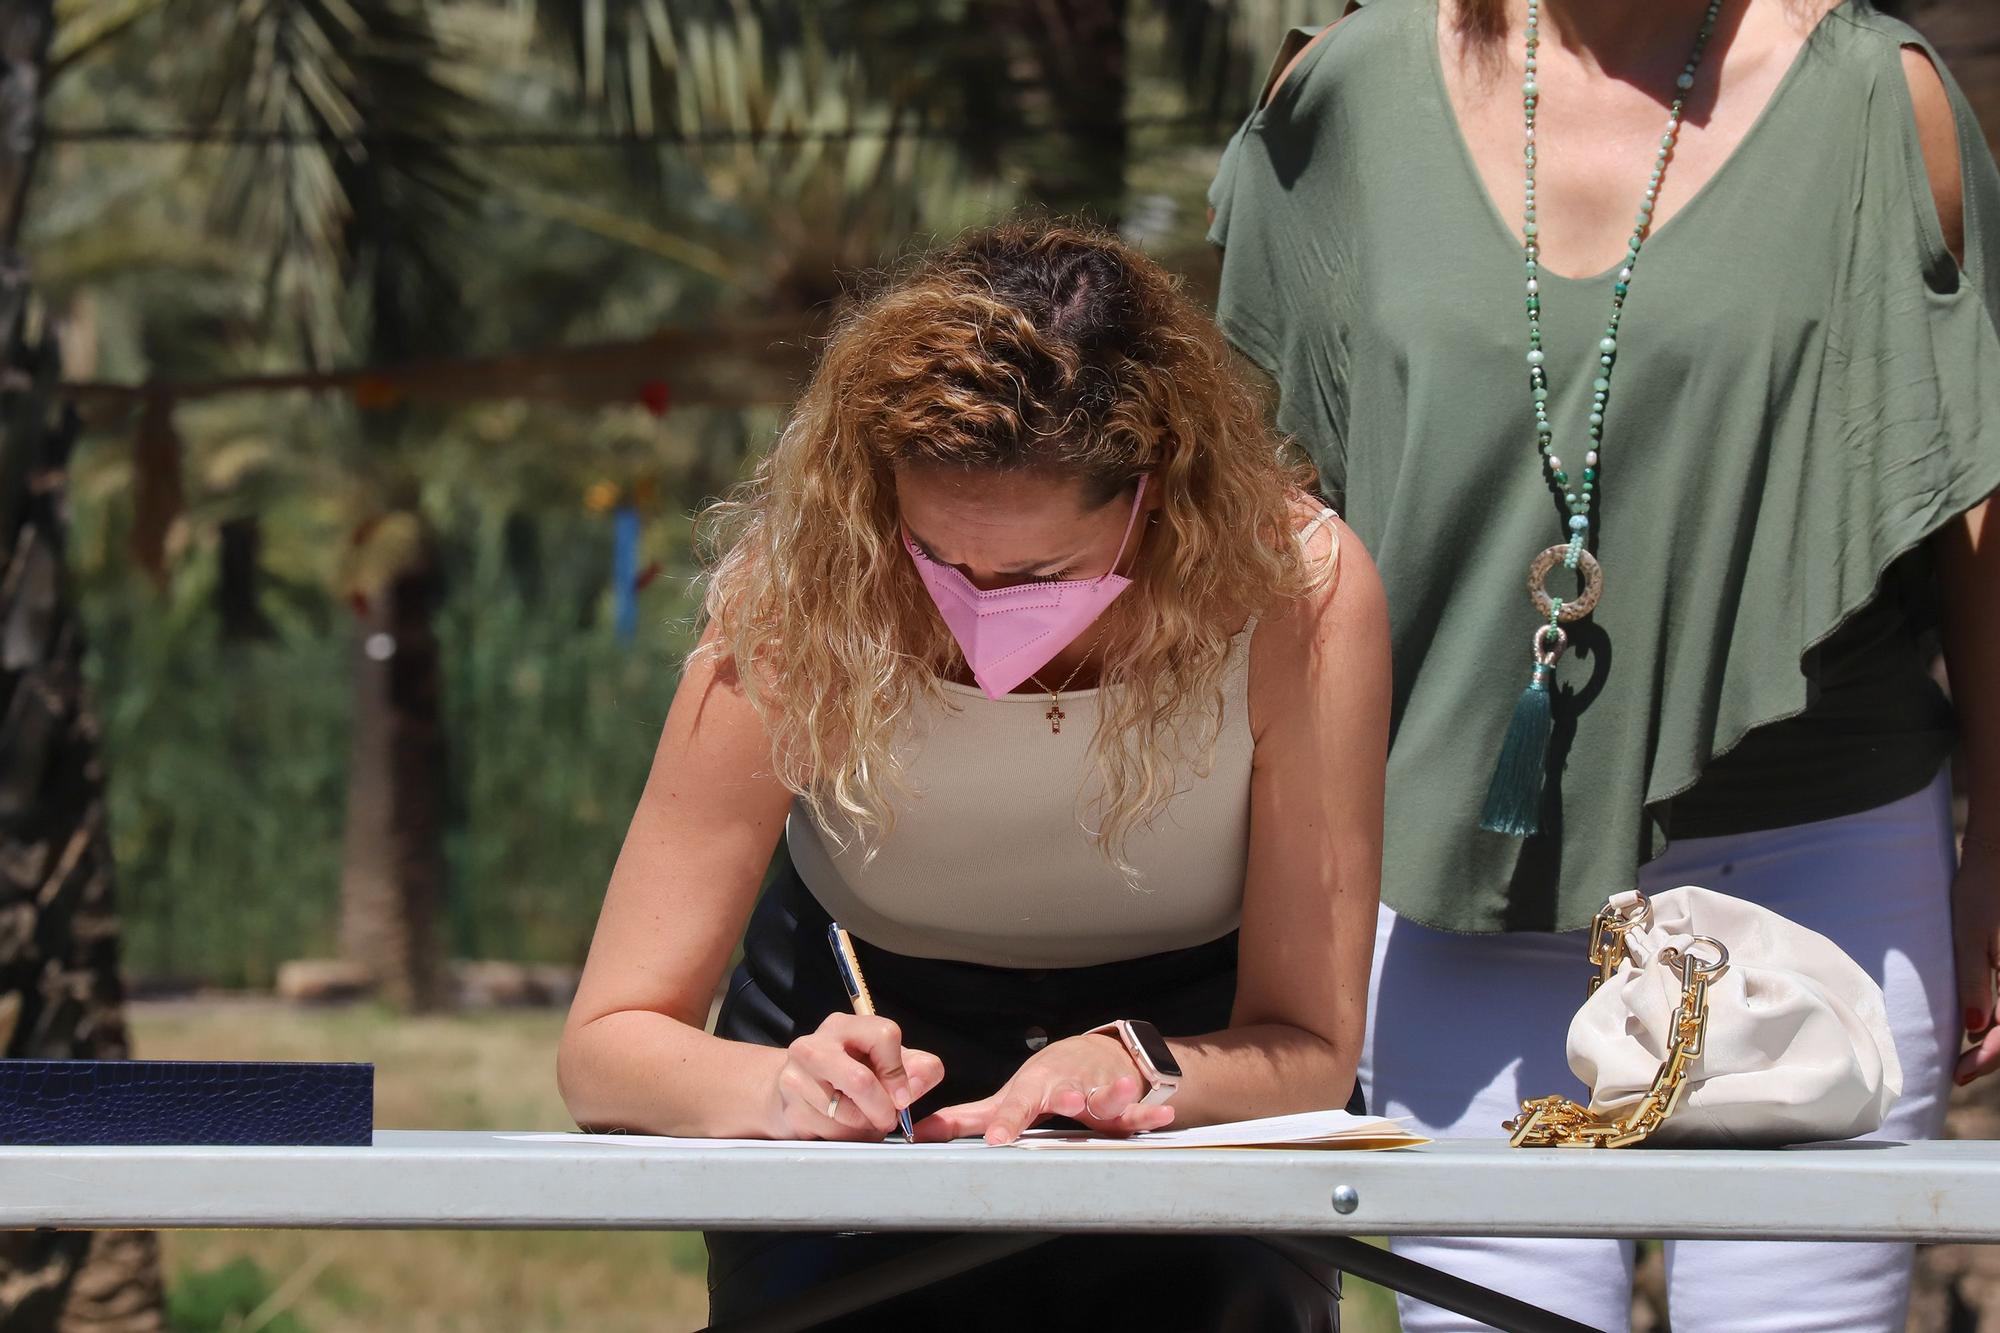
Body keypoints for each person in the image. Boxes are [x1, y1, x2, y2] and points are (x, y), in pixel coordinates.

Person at [1209, 0, 2000, 1328]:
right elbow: (1271, 506)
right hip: (1455, 870)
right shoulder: (1343, 90)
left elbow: (1972, 494)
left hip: (1819, 861)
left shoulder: (1881, 101)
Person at [556, 221, 1390, 1330]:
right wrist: (775, 1087)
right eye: (935, 559)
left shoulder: (1299, 588)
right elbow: (606, 1044)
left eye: (1039, 572)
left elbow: (1311, 1049)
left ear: (1157, 495)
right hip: (856, 1038)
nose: (982, 605)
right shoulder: (796, 592)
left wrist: (1142, 1069)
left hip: (1194, 1053)